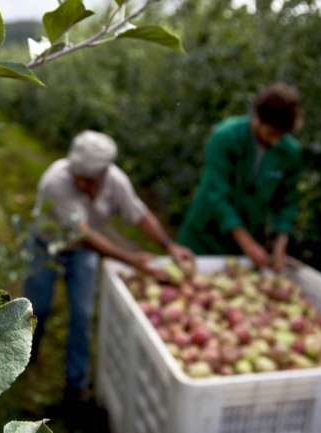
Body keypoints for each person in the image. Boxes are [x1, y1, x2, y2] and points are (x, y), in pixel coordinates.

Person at [24, 130, 195, 403]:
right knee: (35, 307)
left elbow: (139, 215)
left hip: (83, 252)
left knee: (82, 313)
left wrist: (168, 246)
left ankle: (76, 384)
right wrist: (132, 259)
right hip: (48, 245)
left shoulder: (115, 181)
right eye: (79, 180)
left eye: (91, 181)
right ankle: (23, 354)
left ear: (104, 173)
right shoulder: (55, 182)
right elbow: (82, 234)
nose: (85, 186)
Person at [178, 83, 303, 271]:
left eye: (281, 135)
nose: (275, 140)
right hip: (205, 237)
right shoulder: (226, 137)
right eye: (272, 133)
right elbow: (216, 194)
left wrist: (280, 242)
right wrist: (248, 244)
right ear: (257, 119)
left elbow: (288, 202)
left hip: (246, 241)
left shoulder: (289, 152)